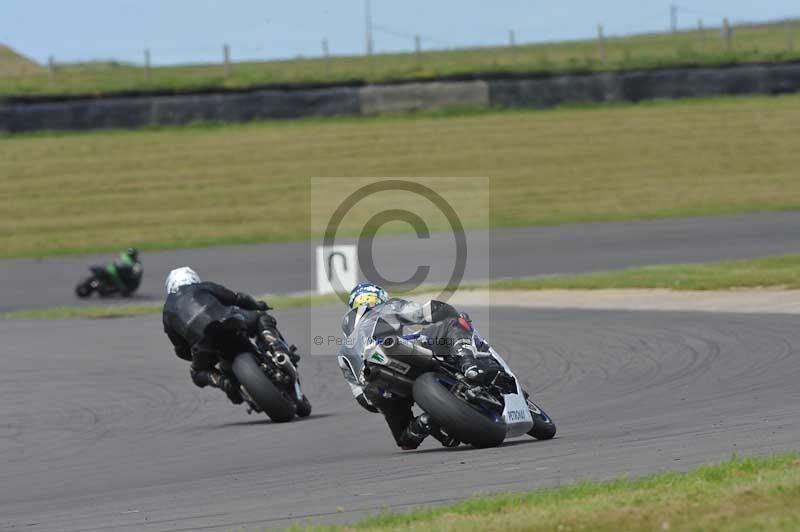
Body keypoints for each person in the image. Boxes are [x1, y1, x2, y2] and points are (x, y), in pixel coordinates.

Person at [340, 282, 502, 450]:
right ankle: (468, 364)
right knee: (457, 320)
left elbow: (365, 400)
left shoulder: (345, 348)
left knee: (406, 440)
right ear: (380, 298)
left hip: (379, 384)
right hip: (401, 351)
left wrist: (383, 400)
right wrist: (442, 310)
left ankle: (421, 425)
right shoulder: (386, 307)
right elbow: (423, 313)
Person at [161, 267, 297, 405]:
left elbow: (180, 349)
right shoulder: (203, 286)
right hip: (230, 322)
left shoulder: (167, 311)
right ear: (193, 278)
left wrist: (196, 354)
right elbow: (237, 298)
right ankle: (276, 348)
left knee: (197, 373)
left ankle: (223, 382)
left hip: (204, 344)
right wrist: (258, 305)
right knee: (260, 317)